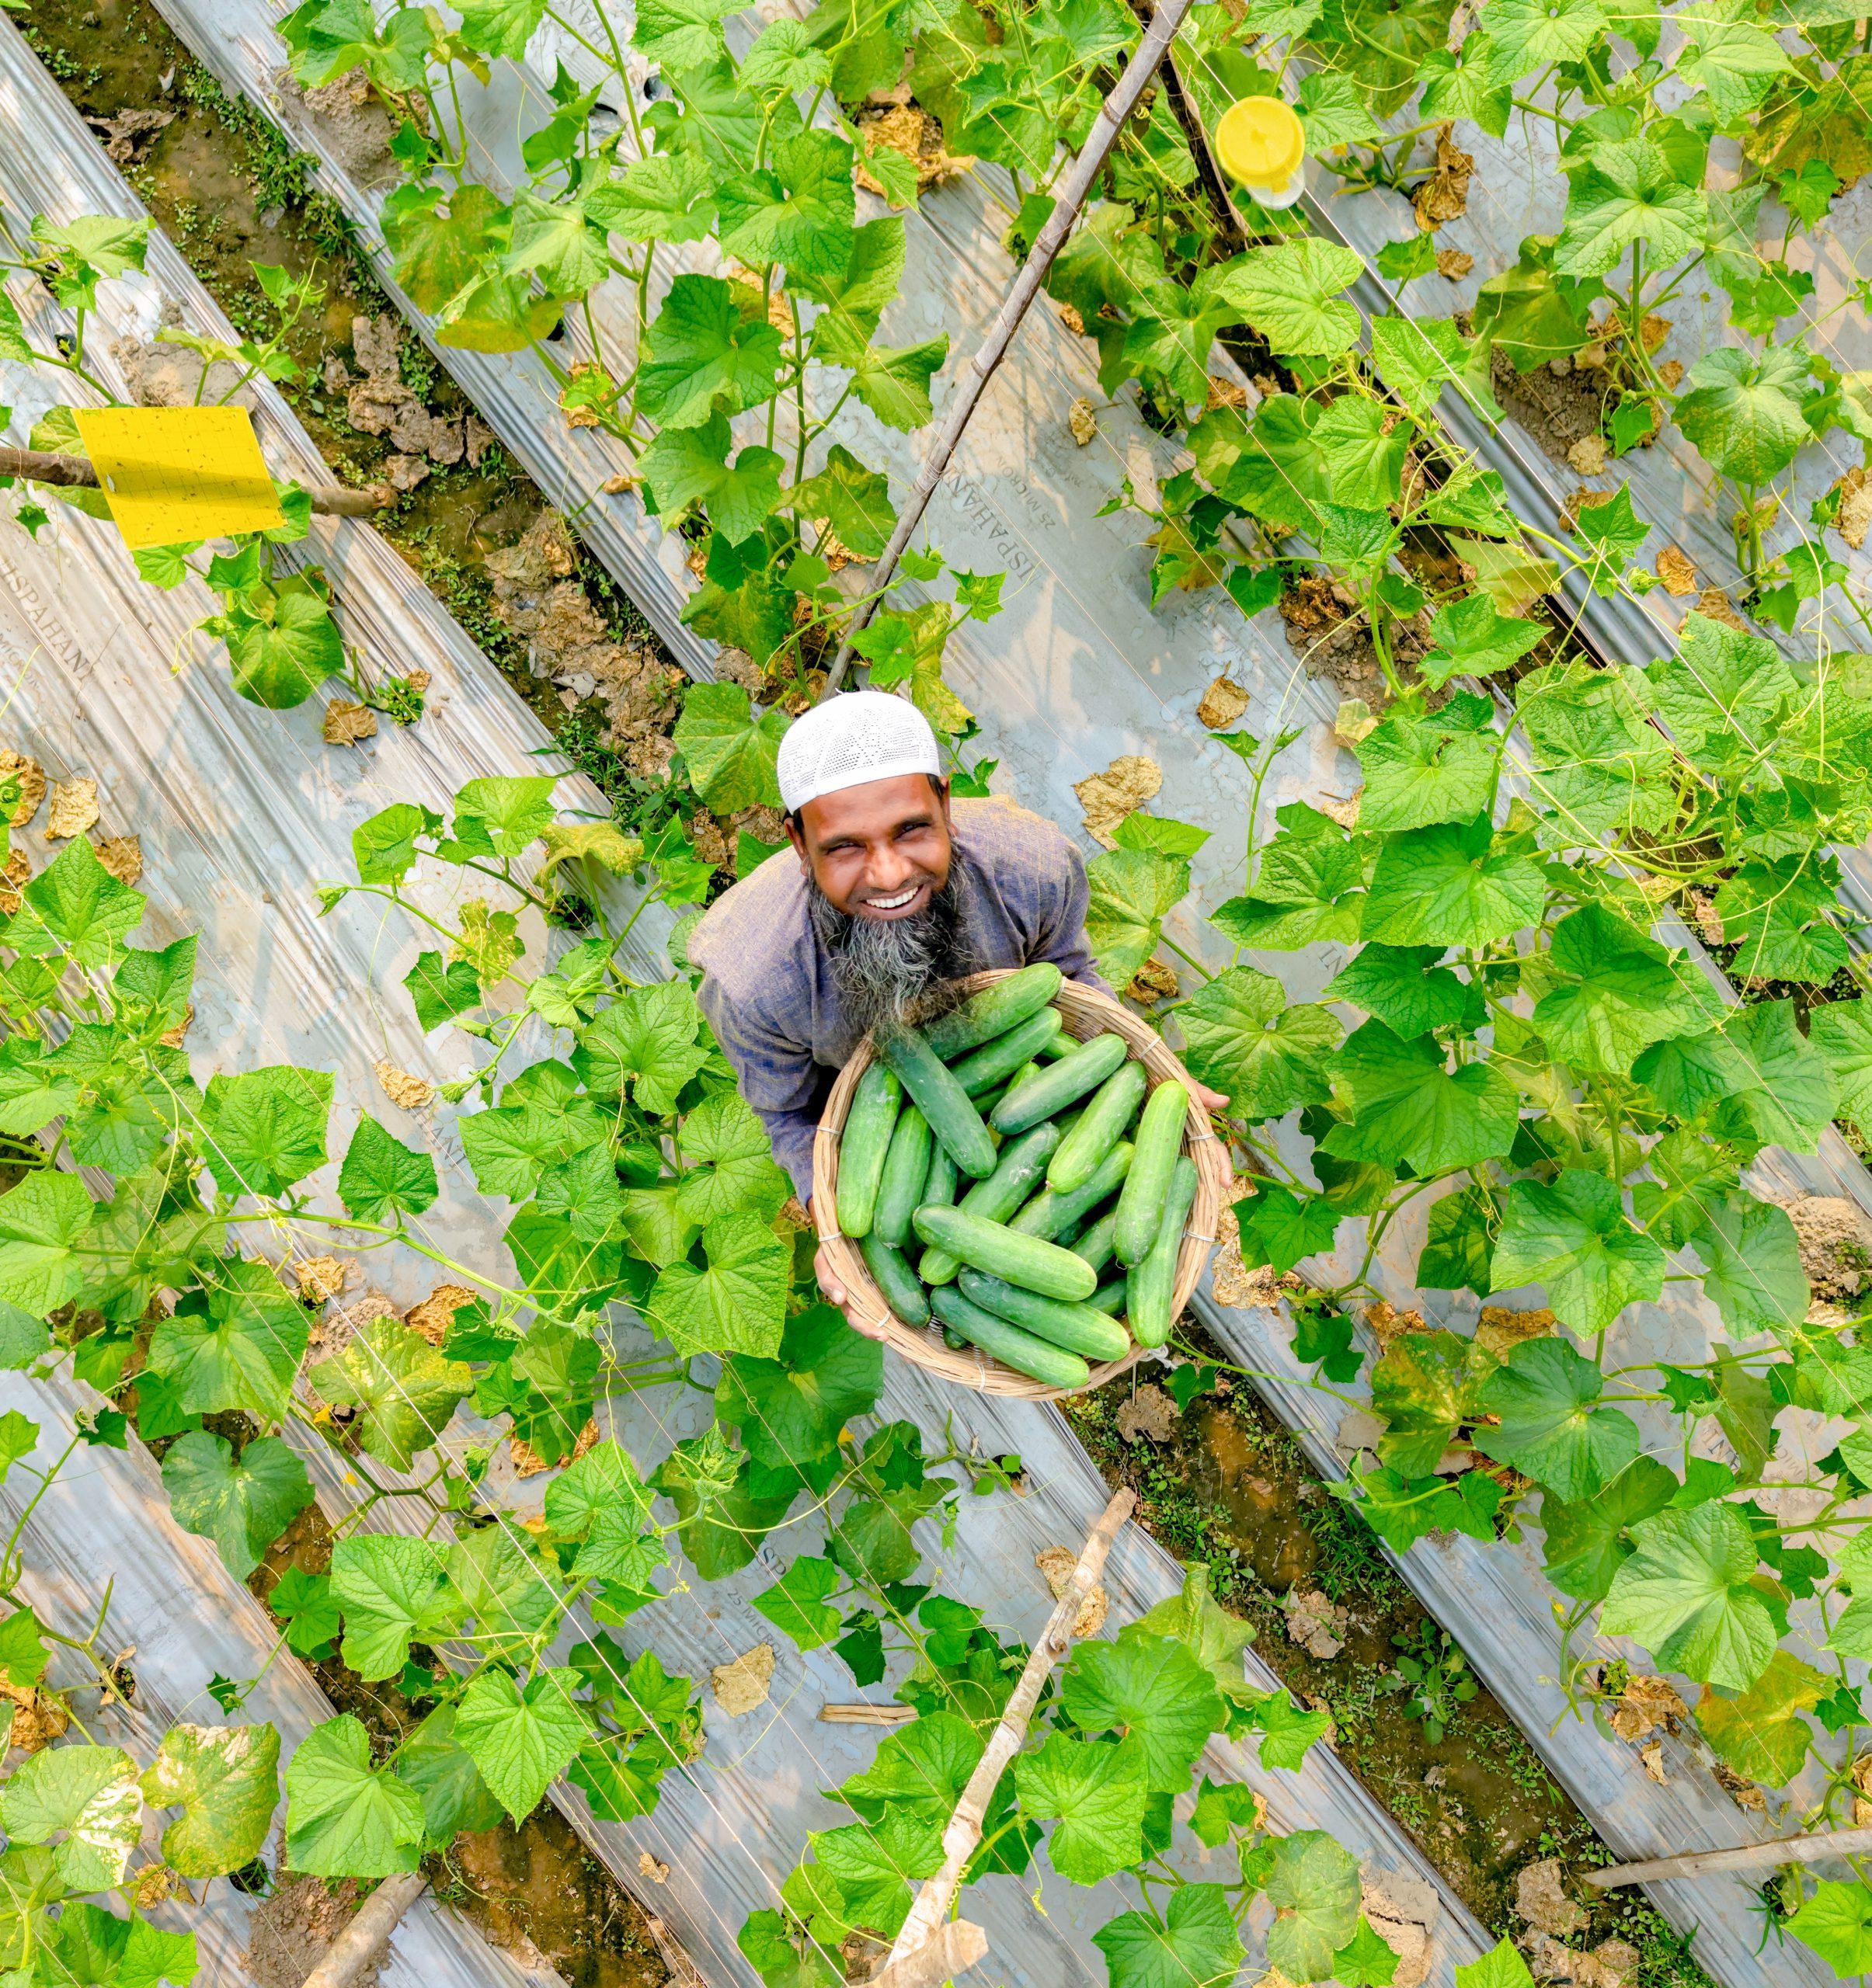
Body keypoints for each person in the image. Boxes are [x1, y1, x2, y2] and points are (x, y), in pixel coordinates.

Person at [689, 690, 1224, 1340]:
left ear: (945, 803)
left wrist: (1150, 1078)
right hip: (867, 1115)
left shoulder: (1032, 867)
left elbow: (1071, 974)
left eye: (912, 829)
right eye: (845, 847)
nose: (888, 874)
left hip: (1020, 1059)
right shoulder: (754, 979)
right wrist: (825, 1218)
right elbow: (786, 1115)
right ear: (799, 843)